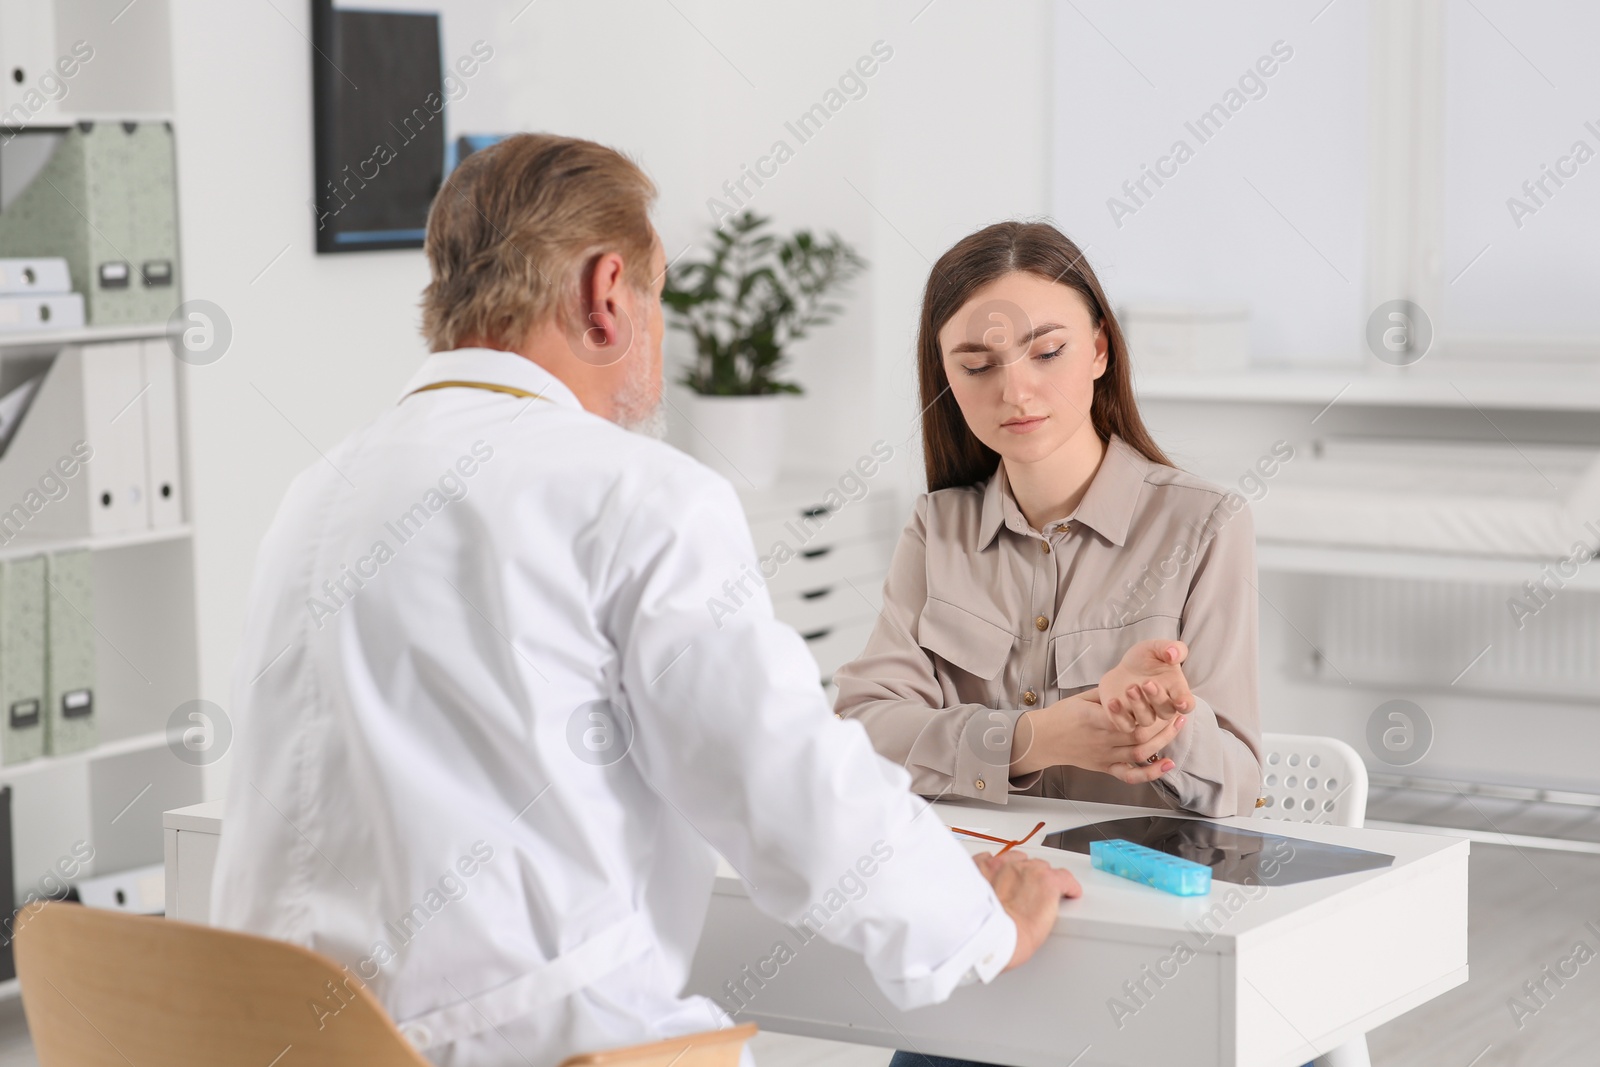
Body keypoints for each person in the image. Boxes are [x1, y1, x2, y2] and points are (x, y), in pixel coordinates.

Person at [208, 135, 1078, 1067]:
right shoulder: (635, 493)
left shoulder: (323, 489)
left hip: (271, 1038)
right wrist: (973, 921)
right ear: (607, 294)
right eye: (660, 296)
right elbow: (782, 779)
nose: (660, 330)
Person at [835, 221, 1263, 833]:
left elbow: (1240, 788)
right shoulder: (938, 528)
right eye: (978, 365)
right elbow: (861, 731)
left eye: (1047, 352)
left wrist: (1162, 723)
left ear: (1099, 350)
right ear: (947, 381)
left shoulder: (1204, 524)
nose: (1015, 390)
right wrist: (1030, 738)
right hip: (980, 881)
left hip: (1141, 891)